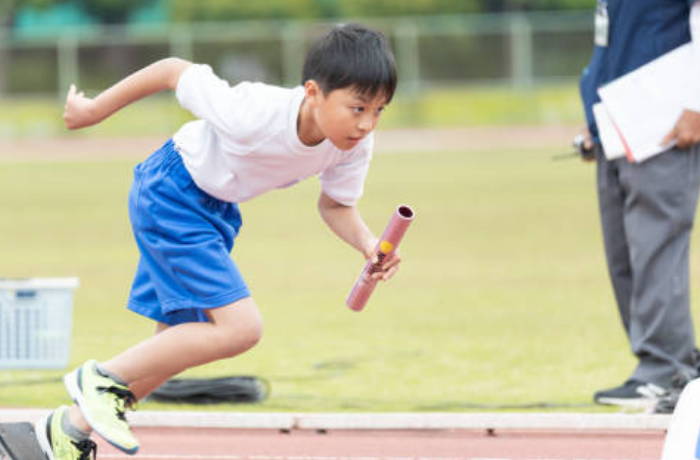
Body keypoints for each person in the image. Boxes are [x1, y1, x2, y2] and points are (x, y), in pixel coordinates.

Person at [36, 23, 400, 460]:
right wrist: (93, 111)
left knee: (174, 346)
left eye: (379, 110)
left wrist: (367, 243)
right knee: (241, 329)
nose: (366, 124)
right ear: (313, 93)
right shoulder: (252, 112)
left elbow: (336, 205)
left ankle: (68, 431)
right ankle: (100, 377)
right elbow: (172, 70)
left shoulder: (353, 145)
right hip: (171, 191)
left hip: (217, 211)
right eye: (357, 108)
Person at [579, 0, 700, 409]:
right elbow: (610, 45)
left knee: (656, 248)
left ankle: (667, 368)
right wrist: (593, 120)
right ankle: (665, 366)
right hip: (617, 121)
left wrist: (698, 103)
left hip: (663, 125)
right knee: (624, 257)